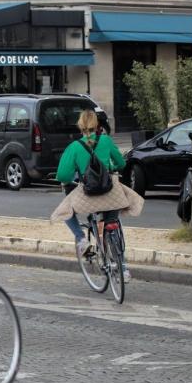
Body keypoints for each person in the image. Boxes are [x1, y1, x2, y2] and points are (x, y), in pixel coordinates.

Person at [54, 109, 132, 282]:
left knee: (65, 211)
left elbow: (63, 176)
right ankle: (124, 268)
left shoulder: (74, 147)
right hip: (110, 195)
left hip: (88, 195)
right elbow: (121, 163)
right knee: (112, 223)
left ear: (80, 127)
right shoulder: (106, 141)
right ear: (97, 126)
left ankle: (82, 239)